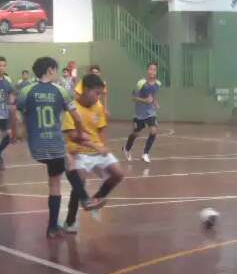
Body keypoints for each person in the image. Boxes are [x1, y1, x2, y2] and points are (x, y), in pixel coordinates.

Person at [16, 57, 101, 239]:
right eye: (55, 70)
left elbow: (17, 114)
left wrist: (19, 131)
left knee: (54, 181)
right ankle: (85, 199)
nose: (56, 73)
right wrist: (79, 134)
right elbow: (77, 117)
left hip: (36, 147)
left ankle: (53, 227)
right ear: (50, 70)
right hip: (54, 142)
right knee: (70, 164)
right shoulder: (60, 91)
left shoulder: (26, 91)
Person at [62, 73, 124, 234]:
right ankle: (70, 221)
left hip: (97, 150)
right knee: (79, 182)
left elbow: (101, 129)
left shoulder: (98, 107)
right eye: (96, 93)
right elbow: (73, 136)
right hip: (79, 152)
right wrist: (96, 147)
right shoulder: (72, 108)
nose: (98, 97)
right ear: (86, 90)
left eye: (100, 94)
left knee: (118, 173)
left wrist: (103, 147)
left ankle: (96, 198)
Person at [122, 63, 161, 164]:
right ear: (147, 70)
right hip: (139, 113)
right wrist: (145, 100)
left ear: (156, 72)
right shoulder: (141, 83)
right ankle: (126, 148)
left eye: (154, 70)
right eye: (150, 69)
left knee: (153, 131)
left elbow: (153, 95)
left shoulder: (158, 84)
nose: (152, 71)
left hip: (150, 112)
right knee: (136, 133)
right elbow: (133, 97)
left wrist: (155, 102)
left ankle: (145, 154)